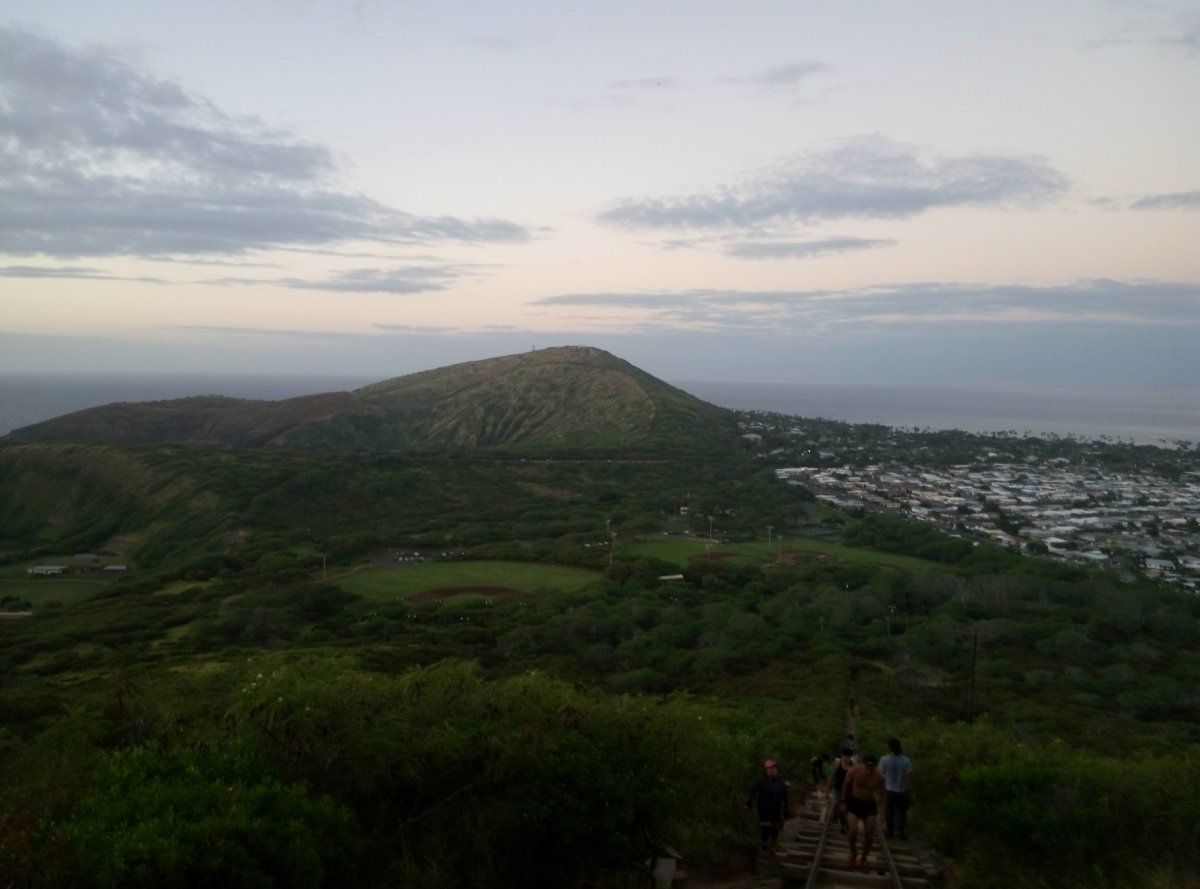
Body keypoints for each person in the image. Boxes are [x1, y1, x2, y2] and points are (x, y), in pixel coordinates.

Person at [842, 752, 885, 873]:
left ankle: (864, 858)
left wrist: (882, 810)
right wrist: (844, 802)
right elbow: (846, 785)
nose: (869, 769)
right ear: (863, 764)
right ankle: (853, 852)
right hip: (854, 802)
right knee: (852, 831)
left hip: (869, 804)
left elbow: (883, 793)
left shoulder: (879, 777)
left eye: (872, 767)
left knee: (868, 833)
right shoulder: (854, 771)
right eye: (867, 766)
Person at [746, 759, 791, 853]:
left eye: (774, 768)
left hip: (776, 808)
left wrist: (786, 810)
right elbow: (752, 792)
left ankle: (772, 847)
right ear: (766, 770)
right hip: (764, 808)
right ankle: (764, 844)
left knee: (775, 829)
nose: (773, 770)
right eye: (770, 768)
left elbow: (785, 797)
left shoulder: (780, 782)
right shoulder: (761, 781)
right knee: (766, 828)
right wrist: (749, 801)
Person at [878, 737, 915, 840]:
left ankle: (889, 832)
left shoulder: (884, 759)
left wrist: (881, 787)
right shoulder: (906, 760)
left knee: (889, 811)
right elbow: (908, 778)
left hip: (889, 790)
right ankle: (901, 832)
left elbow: (880, 774)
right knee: (902, 812)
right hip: (901, 790)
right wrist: (912, 792)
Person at [829, 746, 856, 833]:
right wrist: (827, 788)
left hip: (849, 790)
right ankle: (842, 825)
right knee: (838, 806)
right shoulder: (838, 763)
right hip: (838, 788)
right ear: (842, 755)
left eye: (848, 756)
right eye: (844, 756)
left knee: (846, 809)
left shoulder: (854, 764)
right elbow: (832, 776)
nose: (846, 758)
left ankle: (844, 825)